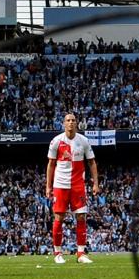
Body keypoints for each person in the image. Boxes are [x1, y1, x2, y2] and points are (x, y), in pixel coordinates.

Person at [45, 111, 98, 263]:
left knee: (81, 216)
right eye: (68, 120)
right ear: (63, 123)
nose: (70, 122)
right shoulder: (56, 141)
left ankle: (80, 254)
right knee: (59, 217)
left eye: (73, 120)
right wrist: (48, 186)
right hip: (60, 184)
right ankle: (58, 253)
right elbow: (51, 164)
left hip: (78, 185)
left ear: (76, 123)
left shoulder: (83, 141)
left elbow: (92, 163)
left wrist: (95, 183)